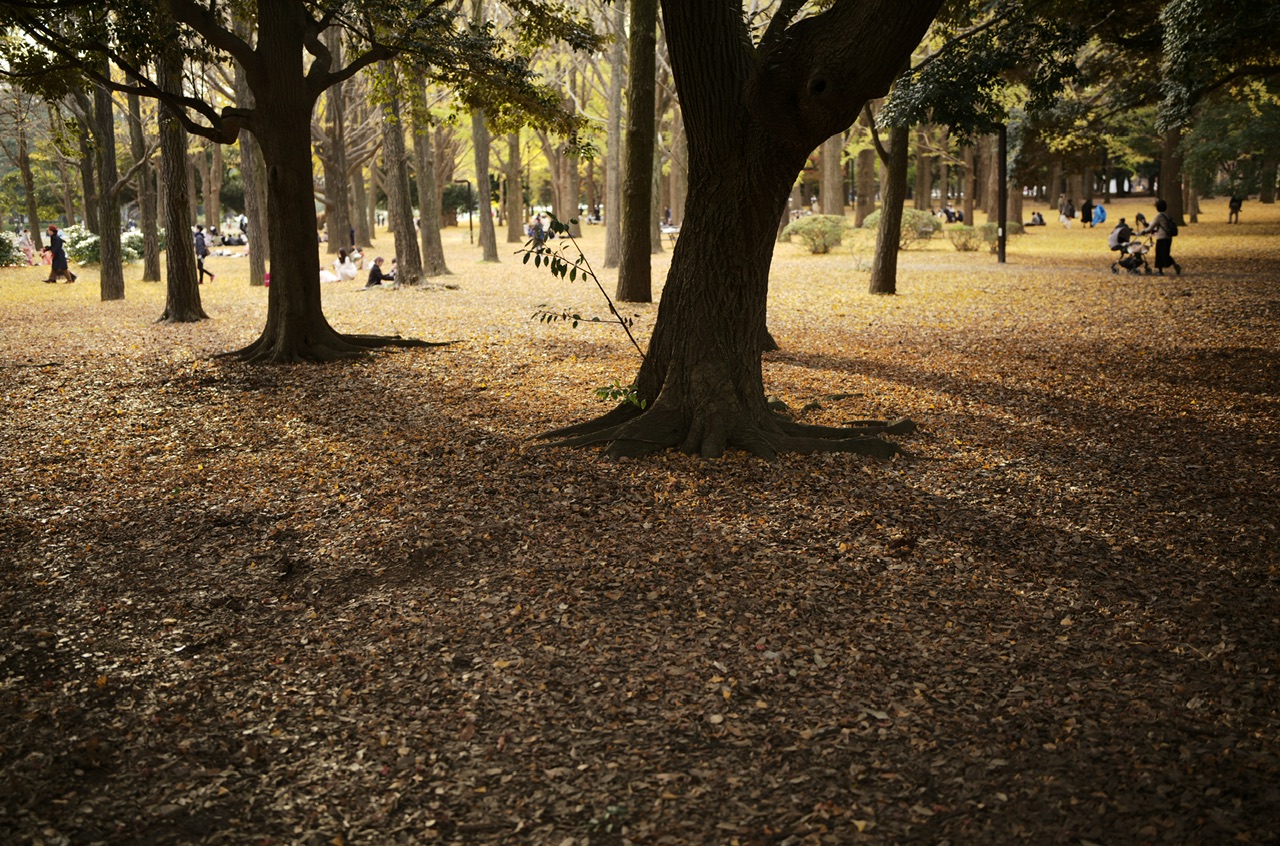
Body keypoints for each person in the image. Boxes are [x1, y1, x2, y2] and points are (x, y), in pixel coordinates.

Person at [1139, 199, 1180, 275]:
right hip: (1168, 237)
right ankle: (1174, 264)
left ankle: (1160, 271)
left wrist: (1144, 231)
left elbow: (1152, 226)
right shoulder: (1167, 215)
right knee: (1166, 253)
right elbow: (1162, 225)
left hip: (1162, 238)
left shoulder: (1159, 216)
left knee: (1160, 254)